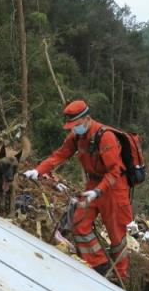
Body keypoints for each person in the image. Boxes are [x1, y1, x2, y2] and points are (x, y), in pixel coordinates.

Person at [24, 100, 133, 279]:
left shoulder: (106, 137)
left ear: (87, 119)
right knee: (79, 223)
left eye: (76, 125)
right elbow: (59, 155)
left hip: (113, 187)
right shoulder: (76, 137)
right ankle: (100, 266)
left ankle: (120, 275)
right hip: (93, 184)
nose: (73, 129)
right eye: (71, 126)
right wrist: (38, 170)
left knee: (116, 234)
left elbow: (115, 171)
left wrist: (99, 191)